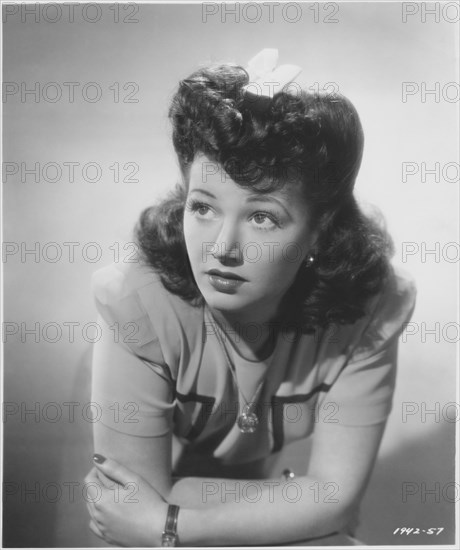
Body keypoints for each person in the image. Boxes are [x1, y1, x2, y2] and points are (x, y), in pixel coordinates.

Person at [84, 49, 416, 547]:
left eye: (262, 217)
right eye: (203, 208)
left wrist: (172, 522)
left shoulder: (373, 305)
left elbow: (337, 501)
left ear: (321, 231)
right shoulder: (135, 303)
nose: (221, 249)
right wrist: (297, 505)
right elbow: (124, 513)